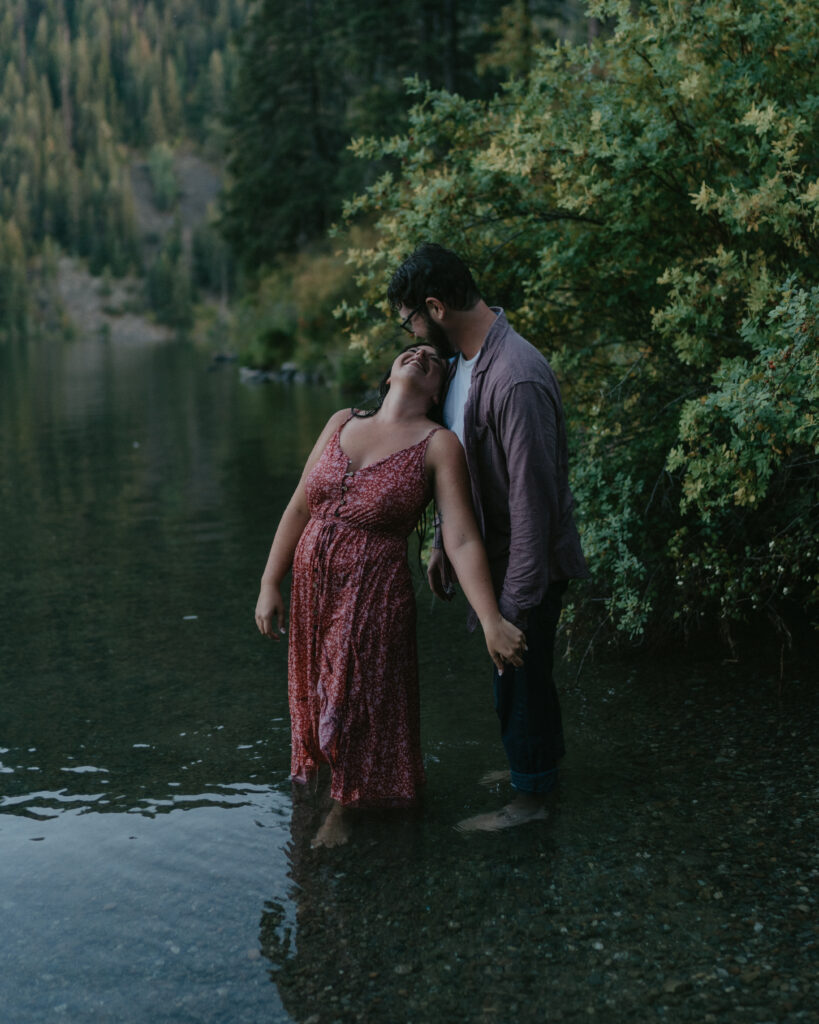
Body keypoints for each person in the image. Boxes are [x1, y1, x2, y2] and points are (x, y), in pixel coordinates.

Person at [254, 341, 526, 848]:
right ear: (387, 376)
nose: (421, 353)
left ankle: (344, 810)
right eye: (411, 349)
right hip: (313, 589)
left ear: (439, 390)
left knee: (355, 695)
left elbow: (461, 538)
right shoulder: (341, 421)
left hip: (373, 591)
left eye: (433, 358)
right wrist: (271, 582)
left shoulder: (439, 444)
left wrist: (489, 619)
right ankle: (334, 786)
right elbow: (298, 507)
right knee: (316, 691)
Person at [387, 243, 589, 832]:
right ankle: (539, 768)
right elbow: (458, 471)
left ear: (435, 306)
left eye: (411, 321)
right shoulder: (465, 365)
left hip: (526, 566)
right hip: (492, 557)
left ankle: (528, 803)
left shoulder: (515, 376)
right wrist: (438, 542)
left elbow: (535, 508)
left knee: (516, 679)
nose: (413, 336)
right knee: (528, 679)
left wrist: (511, 613)